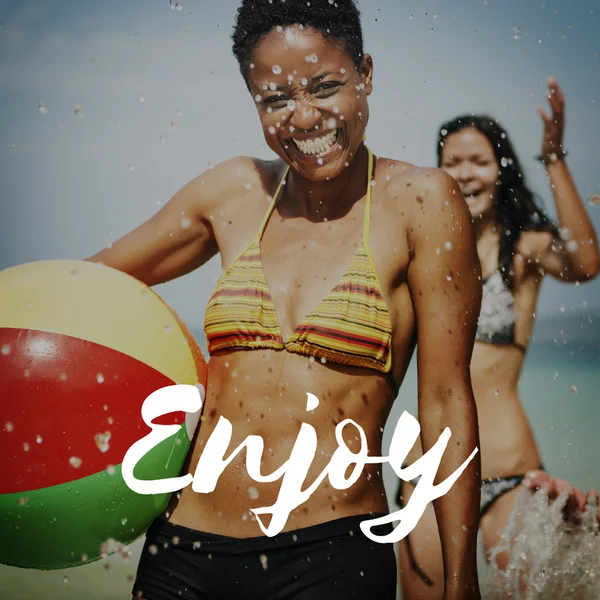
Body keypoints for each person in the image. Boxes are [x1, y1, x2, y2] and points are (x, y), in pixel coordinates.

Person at [86, 1, 483, 598]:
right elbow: (82, 286)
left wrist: (460, 579)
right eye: (274, 99)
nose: (303, 117)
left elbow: (447, 401)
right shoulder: (235, 191)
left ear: (365, 74)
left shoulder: (421, 202)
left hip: (331, 551)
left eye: (326, 88)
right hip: (182, 549)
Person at [396, 78, 600, 600]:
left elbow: (585, 261)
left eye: (479, 161)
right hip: (428, 474)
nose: (466, 173)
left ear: (501, 168)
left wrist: (553, 158)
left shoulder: (524, 249)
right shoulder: (420, 252)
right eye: (453, 162)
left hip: (511, 471)